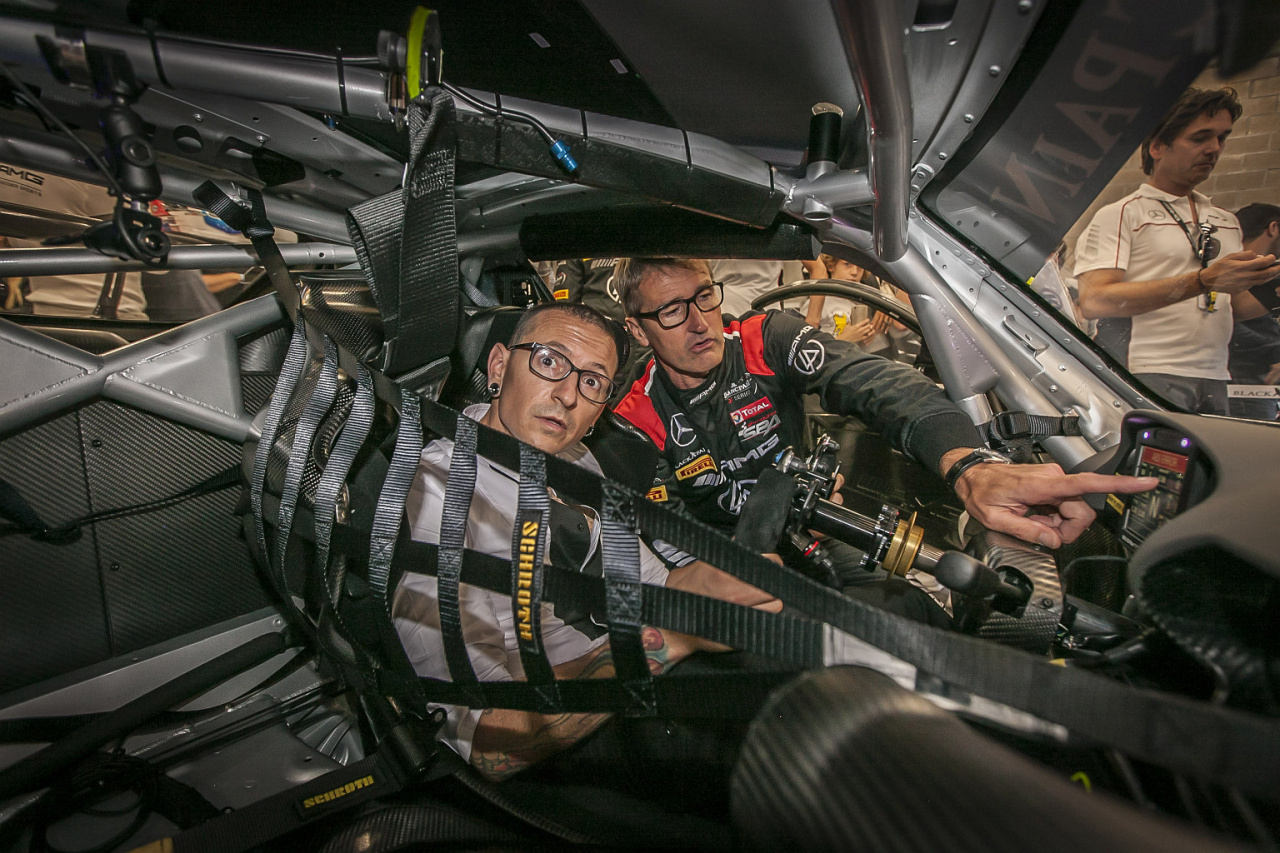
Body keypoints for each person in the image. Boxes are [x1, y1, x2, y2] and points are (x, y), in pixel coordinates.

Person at [392, 301, 781, 780]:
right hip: (551, 751)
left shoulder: (572, 456)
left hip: (624, 673)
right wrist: (674, 636)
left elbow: (651, 583)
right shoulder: (440, 494)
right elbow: (482, 739)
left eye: (592, 382)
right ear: (498, 367)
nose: (567, 395)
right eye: (549, 361)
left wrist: (719, 584)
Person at [610, 257, 1158, 564]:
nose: (700, 322)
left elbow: (879, 384)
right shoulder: (633, 415)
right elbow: (664, 539)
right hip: (728, 563)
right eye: (672, 311)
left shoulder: (762, 338)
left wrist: (970, 466)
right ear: (636, 328)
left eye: (704, 296)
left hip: (817, 530)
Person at [1074, 88, 1279, 415]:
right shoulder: (1123, 214)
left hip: (1215, 374)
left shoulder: (1225, 221)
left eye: (1222, 138)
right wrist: (1203, 280)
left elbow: (1233, 306)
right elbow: (1095, 300)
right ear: (1157, 147)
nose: (1214, 148)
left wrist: (1272, 287)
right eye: (1200, 138)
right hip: (1143, 372)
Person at [1225, 203, 1280, 419]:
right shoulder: (1236, 271)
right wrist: (1274, 352)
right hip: (1245, 382)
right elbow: (1229, 315)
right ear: (1273, 228)